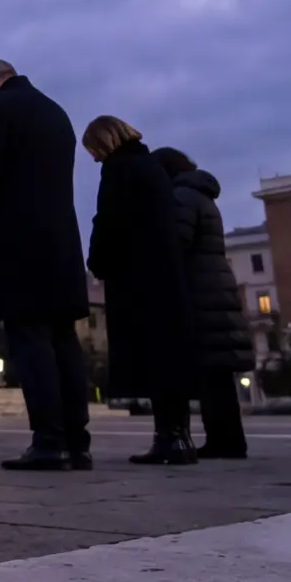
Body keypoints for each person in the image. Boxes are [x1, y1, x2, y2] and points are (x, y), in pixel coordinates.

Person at [0, 59, 93, 471]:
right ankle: (77, 443)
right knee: (63, 341)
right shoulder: (56, 112)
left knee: (30, 340)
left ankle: (49, 443)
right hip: (61, 242)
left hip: (17, 241)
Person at [84, 116, 195, 466]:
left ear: (105, 142)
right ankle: (179, 437)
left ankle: (169, 439)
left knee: (155, 358)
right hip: (165, 275)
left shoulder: (118, 170)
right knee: (169, 359)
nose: (94, 158)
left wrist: (98, 261)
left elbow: (109, 220)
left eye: (94, 150)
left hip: (138, 278)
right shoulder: (151, 166)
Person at [156, 147, 250, 460]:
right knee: (219, 373)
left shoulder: (181, 197)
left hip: (200, 289)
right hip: (215, 286)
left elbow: (176, 242)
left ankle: (223, 441)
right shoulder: (202, 196)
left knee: (210, 372)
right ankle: (229, 440)